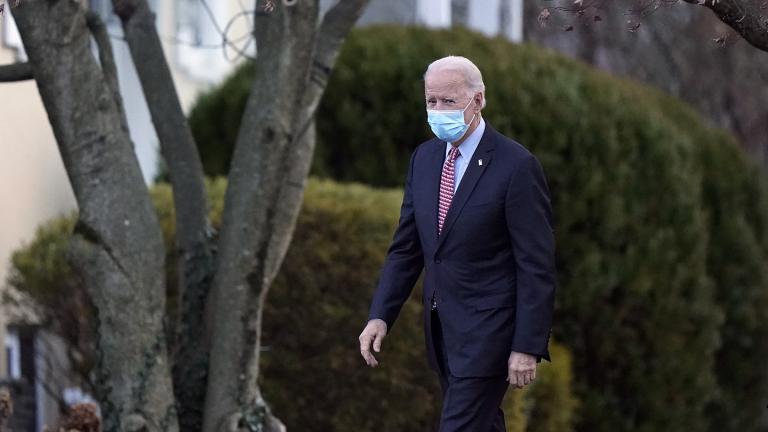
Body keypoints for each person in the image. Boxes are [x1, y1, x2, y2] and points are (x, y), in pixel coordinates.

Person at [358, 56, 557, 431]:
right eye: (431, 101)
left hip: (490, 334)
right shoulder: (425, 159)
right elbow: (407, 248)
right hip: (442, 331)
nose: (437, 111)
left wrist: (527, 345)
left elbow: (536, 264)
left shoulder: (516, 166)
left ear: (478, 100)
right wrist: (380, 315)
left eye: (448, 102)